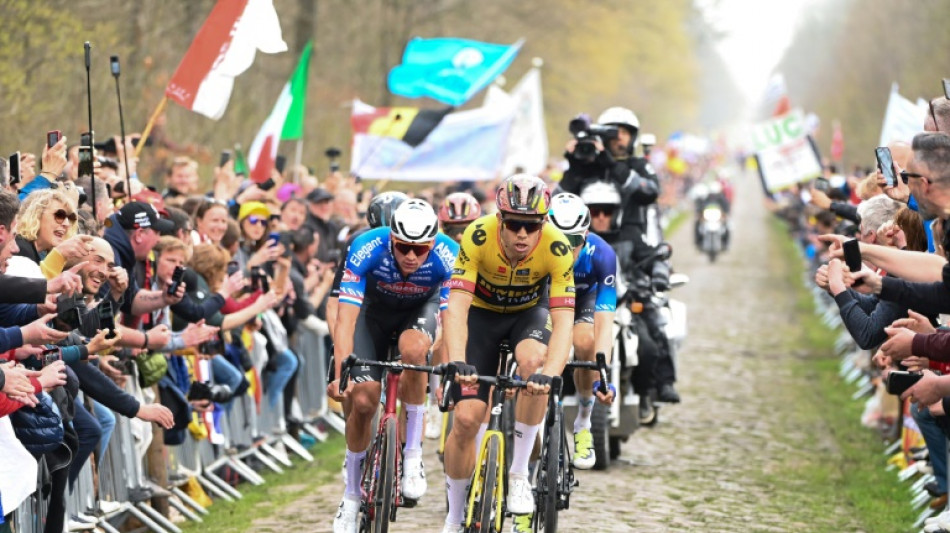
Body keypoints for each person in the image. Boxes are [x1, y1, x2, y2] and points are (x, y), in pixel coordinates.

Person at [440, 174, 575, 533]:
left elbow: (564, 321)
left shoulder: (557, 247)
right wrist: (456, 360)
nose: (521, 234)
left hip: (528, 315)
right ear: (499, 219)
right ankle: (454, 517)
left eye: (530, 226)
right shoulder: (478, 235)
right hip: (482, 316)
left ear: (542, 224)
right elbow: (456, 306)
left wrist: (552, 372)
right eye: (513, 224)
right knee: (466, 420)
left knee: (534, 363)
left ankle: (517, 474)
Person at [327, 199, 457, 533]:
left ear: (432, 243)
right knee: (364, 399)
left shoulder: (448, 254)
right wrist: (342, 373)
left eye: (420, 249)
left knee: (414, 351)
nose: (411, 256)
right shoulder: (366, 246)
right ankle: (352, 495)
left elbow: (451, 321)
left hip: (418, 312)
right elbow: (345, 321)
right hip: (371, 315)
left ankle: (412, 455)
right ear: (390, 240)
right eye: (403, 247)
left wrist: (441, 359)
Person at [547, 193, 616, 471]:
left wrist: (604, 375)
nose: (566, 248)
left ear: (586, 235)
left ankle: (583, 422)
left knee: (585, 341)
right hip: (548, 298)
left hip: (584, 300)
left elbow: (605, 322)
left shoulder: (602, 254)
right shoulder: (535, 250)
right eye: (559, 240)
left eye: (574, 241)